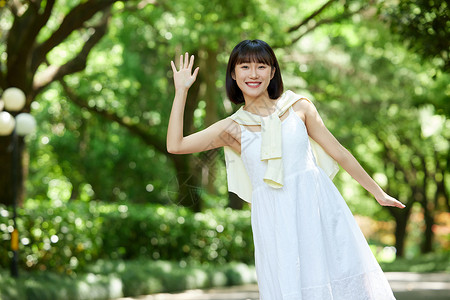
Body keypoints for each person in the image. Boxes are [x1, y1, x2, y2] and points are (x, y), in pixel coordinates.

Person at [167, 39, 405, 299]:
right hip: (274, 218)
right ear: (233, 75)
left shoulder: (298, 107)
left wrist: (378, 193)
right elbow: (176, 145)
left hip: (317, 207)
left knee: (338, 277)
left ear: (272, 72)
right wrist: (181, 91)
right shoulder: (232, 128)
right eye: (244, 66)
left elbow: (340, 153)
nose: (253, 74)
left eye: (261, 66)